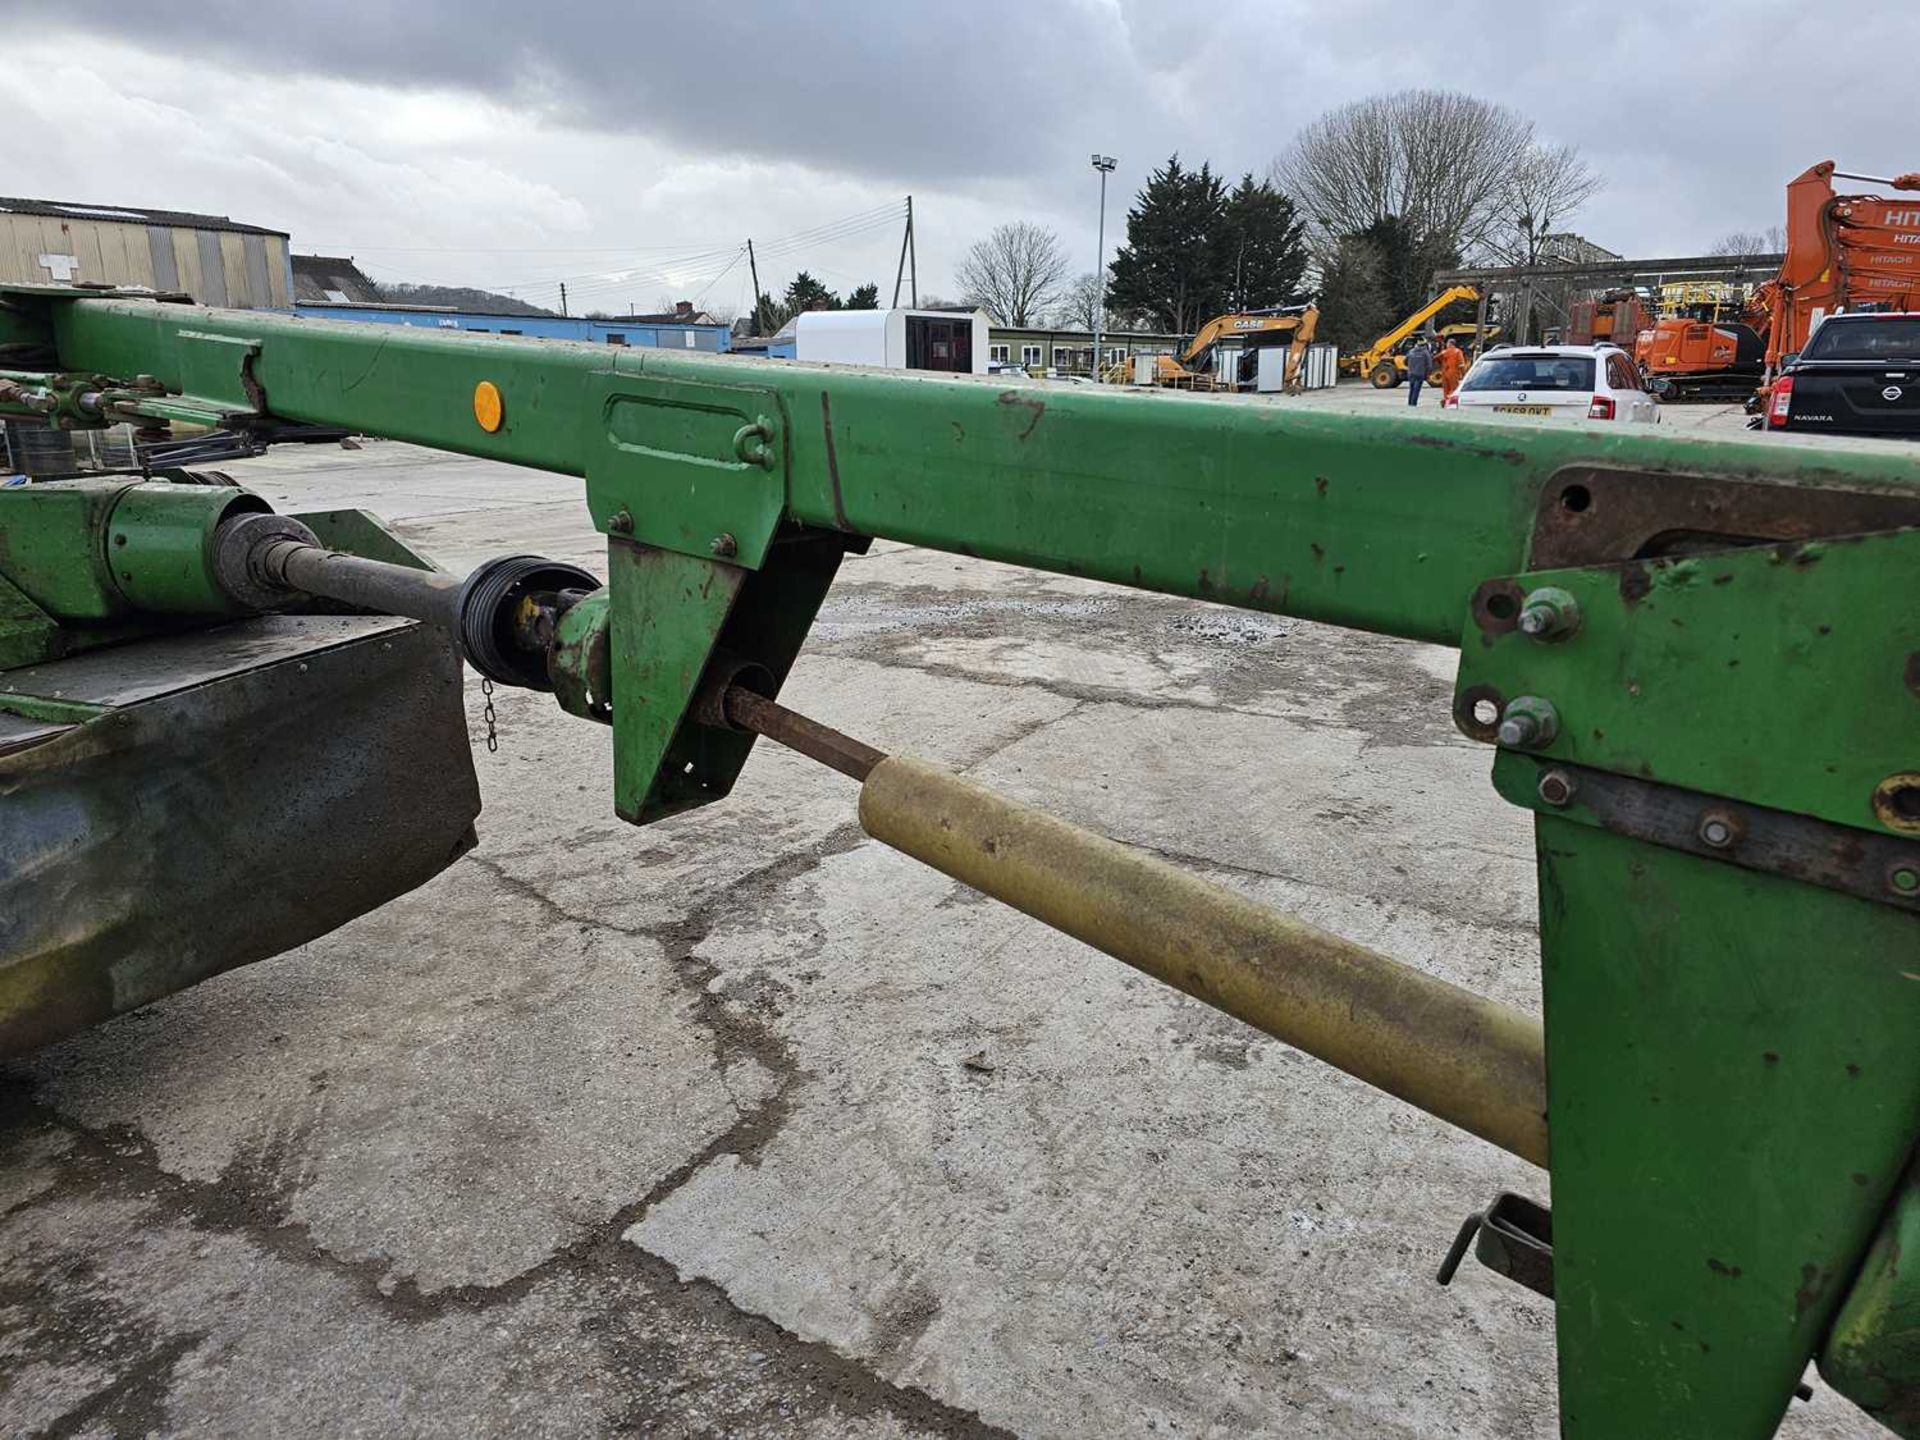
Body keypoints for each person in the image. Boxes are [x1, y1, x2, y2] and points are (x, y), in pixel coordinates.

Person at [1437, 337, 1467, 403]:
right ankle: (1451, 402)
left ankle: (1446, 400)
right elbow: (1461, 364)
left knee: (1446, 389)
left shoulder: (1444, 352)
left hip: (1445, 373)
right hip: (1454, 373)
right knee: (1454, 389)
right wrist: (1464, 375)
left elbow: (1436, 358)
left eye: (1447, 343)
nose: (1446, 345)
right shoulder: (1458, 352)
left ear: (1450, 344)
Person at [1406, 339, 1433, 406]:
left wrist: (1410, 367)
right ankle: (1413, 404)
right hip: (1420, 374)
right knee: (1416, 390)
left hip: (1411, 373)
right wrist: (1428, 374)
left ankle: (1410, 404)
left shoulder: (1411, 351)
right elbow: (1429, 365)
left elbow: (1405, 360)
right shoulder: (1425, 352)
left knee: (1411, 389)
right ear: (1425, 345)